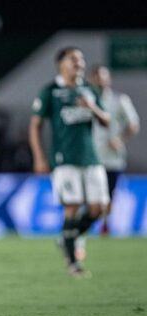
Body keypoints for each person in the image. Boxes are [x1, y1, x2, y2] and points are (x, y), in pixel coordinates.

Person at [28, 47, 110, 277]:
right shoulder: (51, 91)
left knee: (99, 208)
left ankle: (66, 237)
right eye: (74, 59)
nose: (79, 63)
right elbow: (35, 125)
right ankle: (74, 264)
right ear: (61, 64)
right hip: (64, 160)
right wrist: (39, 157)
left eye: (81, 59)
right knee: (72, 208)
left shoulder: (89, 90)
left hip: (91, 157)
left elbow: (107, 121)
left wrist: (92, 107)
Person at [90, 65, 140, 235]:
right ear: (92, 79)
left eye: (103, 77)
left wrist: (120, 138)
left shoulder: (120, 100)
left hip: (113, 158)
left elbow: (133, 124)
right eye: (97, 77)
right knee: (92, 196)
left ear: (109, 79)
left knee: (109, 195)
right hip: (91, 157)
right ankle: (87, 224)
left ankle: (105, 224)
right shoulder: (86, 101)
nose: (101, 81)